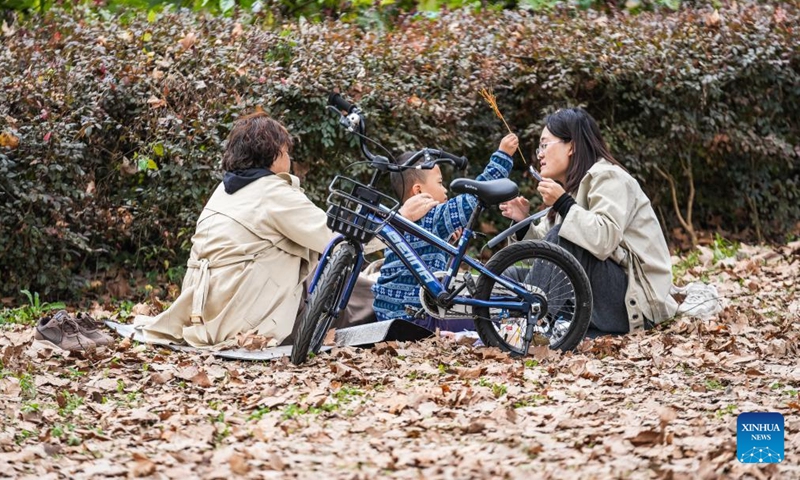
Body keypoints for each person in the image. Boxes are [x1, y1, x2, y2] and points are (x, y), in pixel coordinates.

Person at [134, 112, 435, 348]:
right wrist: (401, 218)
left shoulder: (225, 190)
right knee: (356, 290)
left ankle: (381, 282)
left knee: (332, 274)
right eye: (287, 152)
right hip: (243, 318)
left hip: (208, 310)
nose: (290, 160)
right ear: (275, 154)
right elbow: (337, 239)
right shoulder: (273, 193)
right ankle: (407, 299)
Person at [499, 107, 677, 335]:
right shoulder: (572, 190)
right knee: (509, 276)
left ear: (571, 146)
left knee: (564, 235)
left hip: (636, 302)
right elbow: (545, 251)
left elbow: (604, 240)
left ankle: (522, 328)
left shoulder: (609, 177)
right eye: (539, 147)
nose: (539, 155)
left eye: (544, 145)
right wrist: (522, 222)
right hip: (599, 296)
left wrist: (563, 203)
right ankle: (490, 323)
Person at [372, 133, 519, 332]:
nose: (445, 191)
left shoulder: (397, 220)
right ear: (418, 191)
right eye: (440, 183)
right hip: (421, 318)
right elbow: (472, 200)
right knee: (492, 313)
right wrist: (503, 155)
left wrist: (447, 238)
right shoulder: (433, 216)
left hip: (386, 315)